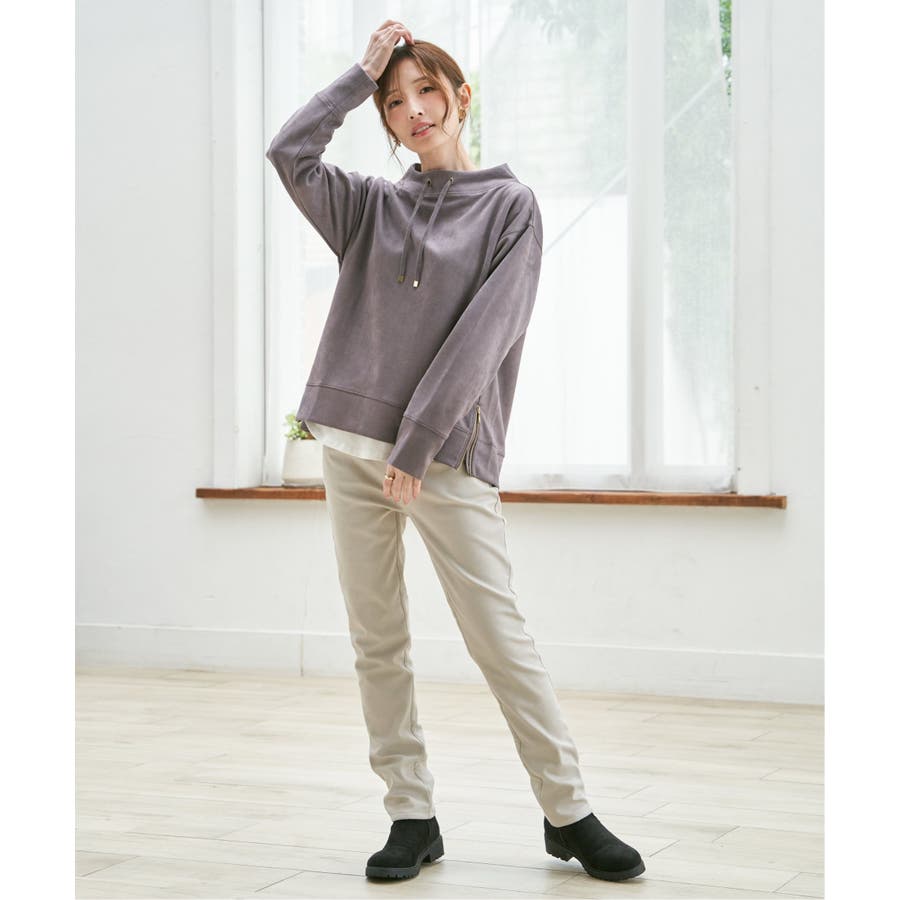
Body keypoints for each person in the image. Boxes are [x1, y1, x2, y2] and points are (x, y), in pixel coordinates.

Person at [265, 19, 645, 884]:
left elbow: (485, 336)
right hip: (350, 448)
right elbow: (289, 153)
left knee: (498, 636)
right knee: (377, 638)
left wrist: (418, 443)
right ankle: (411, 814)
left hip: (443, 456)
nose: (413, 110)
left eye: (427, 91)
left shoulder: (510, 208)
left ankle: (568, 811)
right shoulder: (370, 205)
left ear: (461, 97)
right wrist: (357, 76)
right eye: (395, 101)